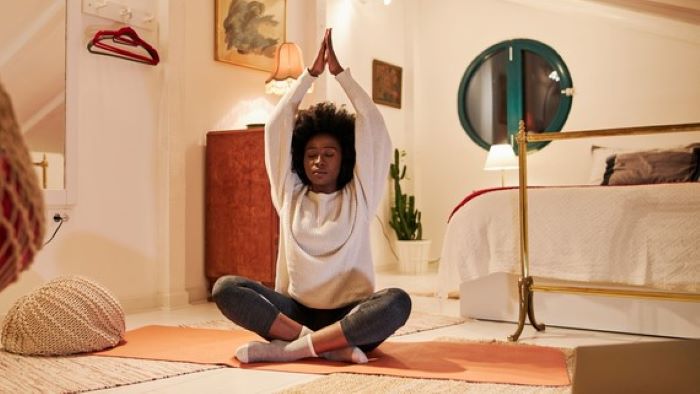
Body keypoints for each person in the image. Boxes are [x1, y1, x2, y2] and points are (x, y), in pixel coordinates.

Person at [211, 28, 411, 364]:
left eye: (329, 153)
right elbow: (276, 128)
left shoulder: (360, 194)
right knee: (226, 288)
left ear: (344, 157)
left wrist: (341, 76)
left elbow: (374, 126)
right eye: (311, 154)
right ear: (300, 160)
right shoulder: (289, 194)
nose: (318, 160)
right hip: (294, 315)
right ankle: (324, 346)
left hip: (350, 317)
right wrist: (309, 75)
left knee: (397, 301)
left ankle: (294, 350)